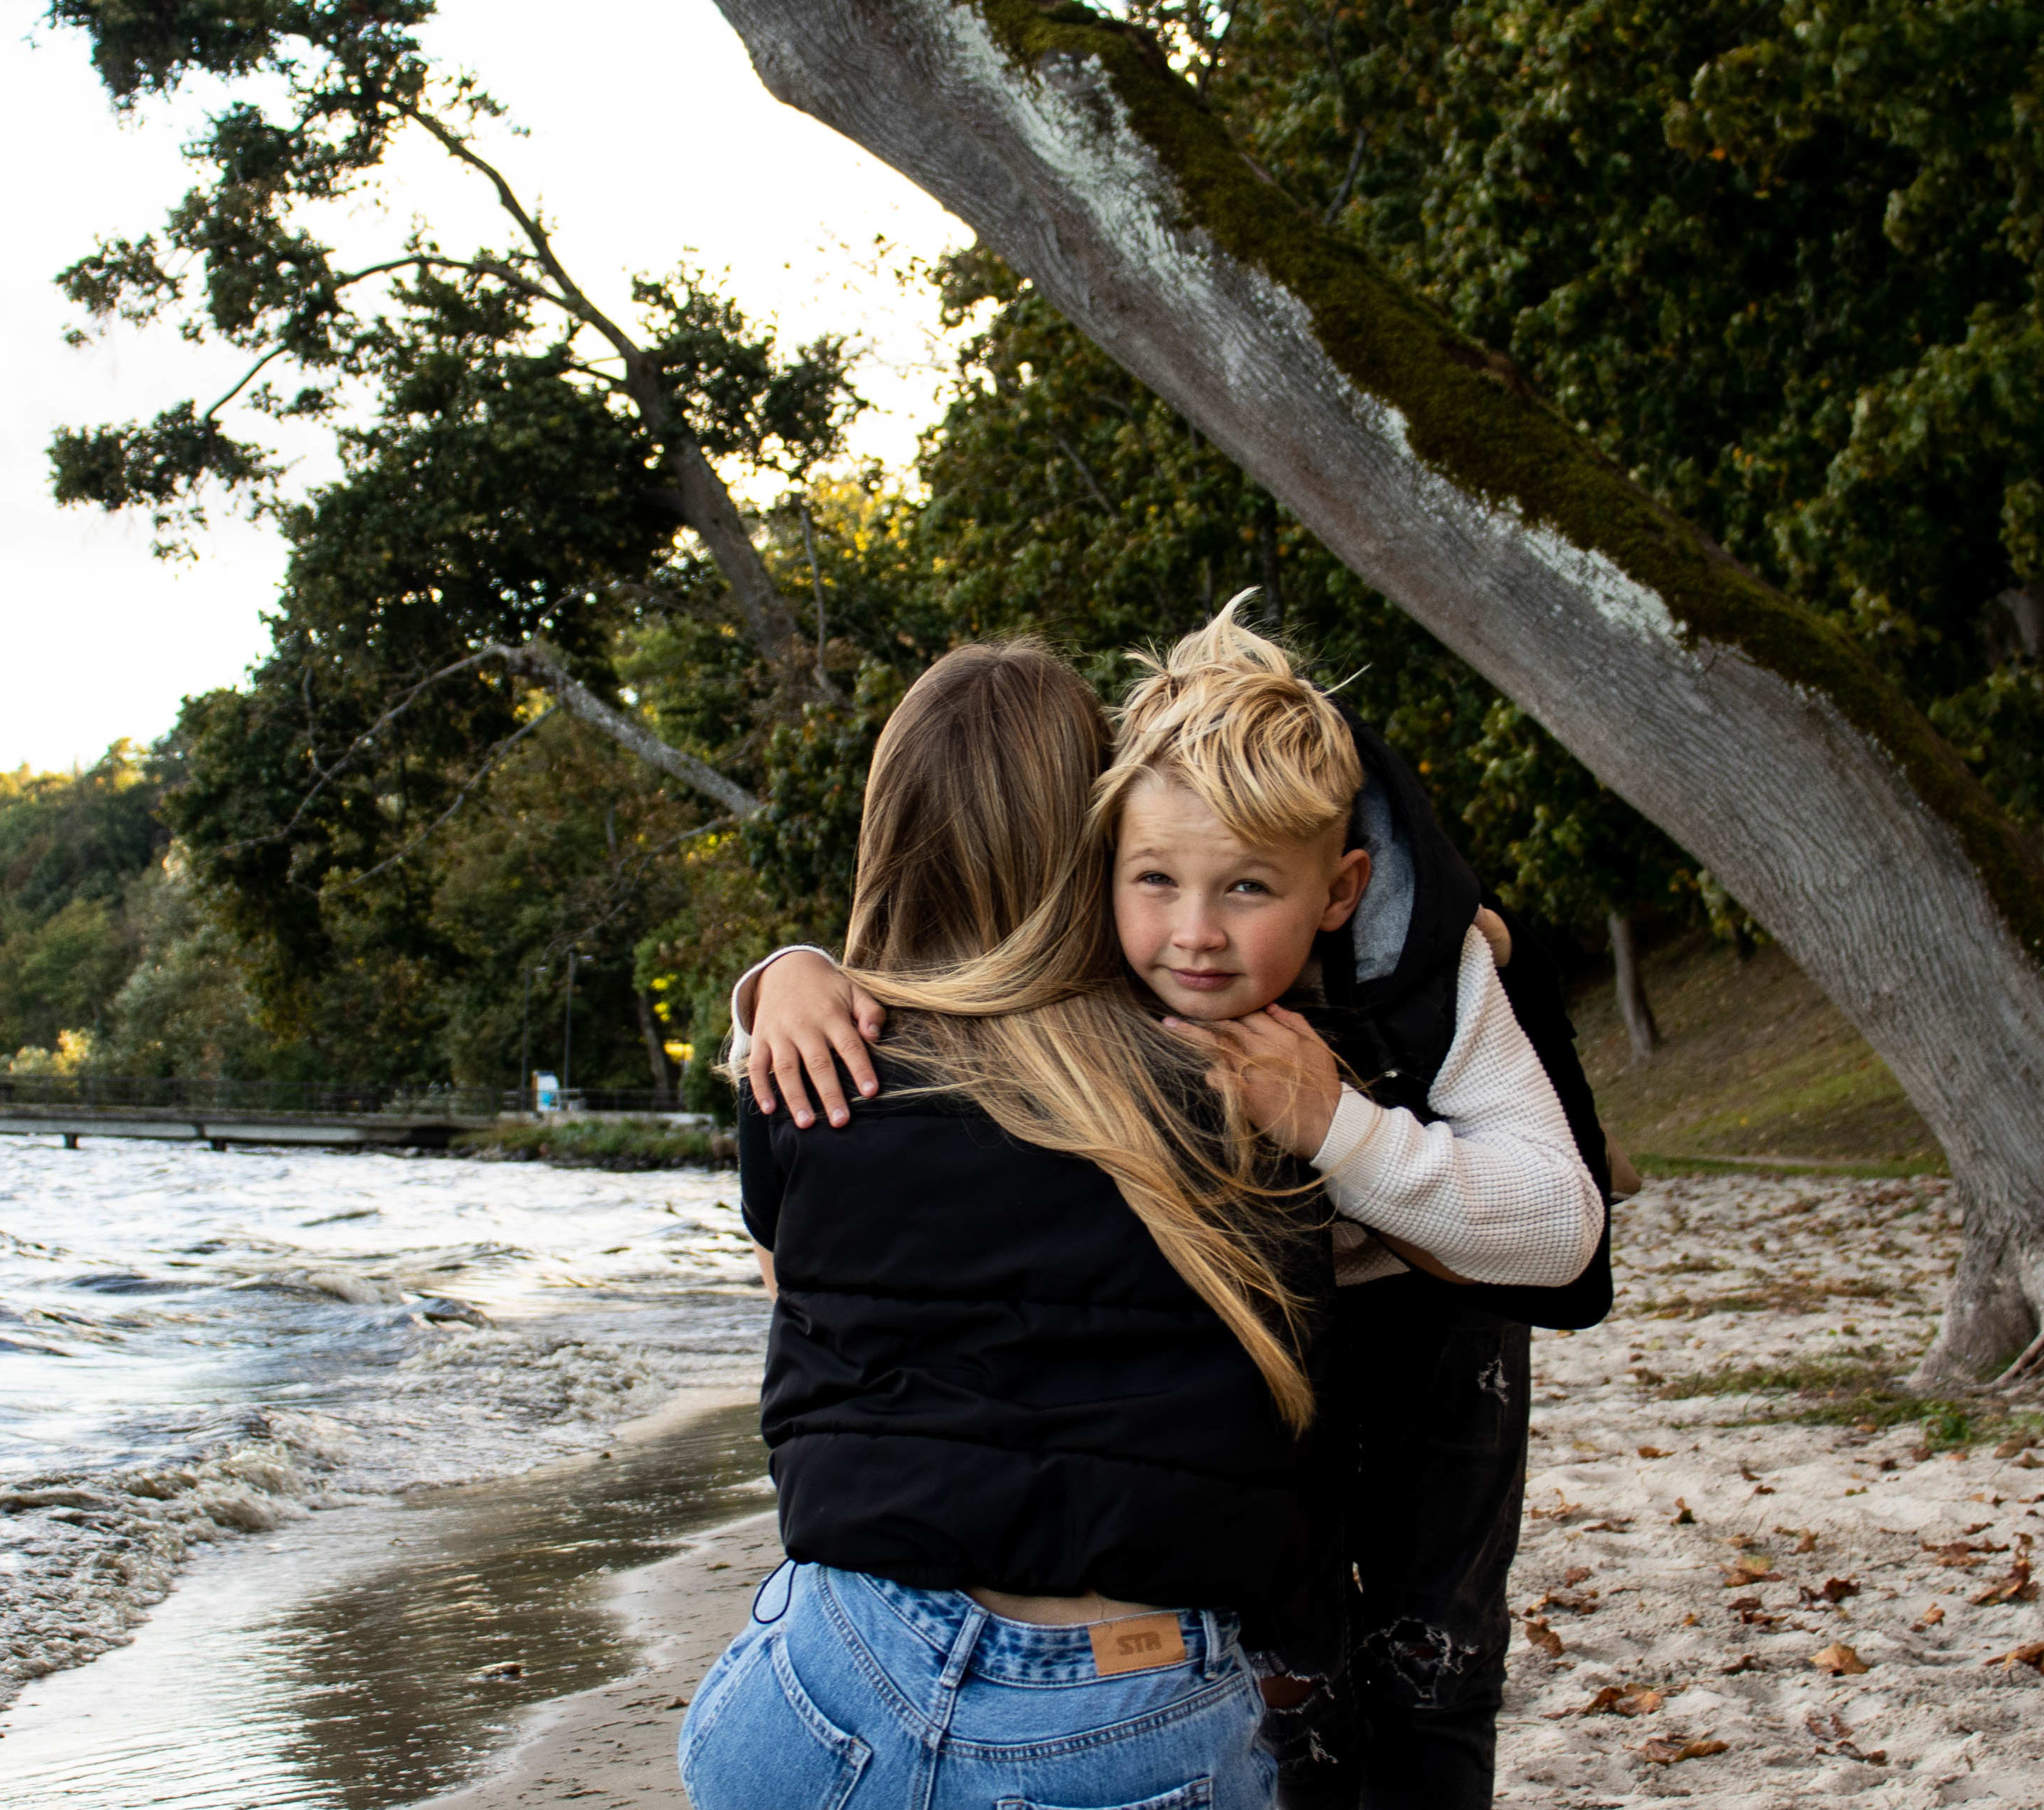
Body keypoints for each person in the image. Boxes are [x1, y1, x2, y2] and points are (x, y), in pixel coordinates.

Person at [743, 601, 1621, 1807]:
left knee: (1434, 1680)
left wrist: (1338, 1127)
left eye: (1250, 888)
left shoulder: (1421, 965)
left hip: (1431, 1348)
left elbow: (1561, 1229)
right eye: (1153, 880)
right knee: (1289, 1696)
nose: (1196, 937)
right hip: (1237, 1392)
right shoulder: (1126, 946)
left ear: (1340, 888)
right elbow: (959, 983)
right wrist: (787, 982)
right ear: (1094, 858)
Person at [679, 641, 1326, 1810]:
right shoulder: (1242, 1085)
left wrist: (783, 972)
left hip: (830, 1676)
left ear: (887, 830)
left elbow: (795, 1294)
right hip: (1126, 1705)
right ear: (1100, 831)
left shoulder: (811, 1074)